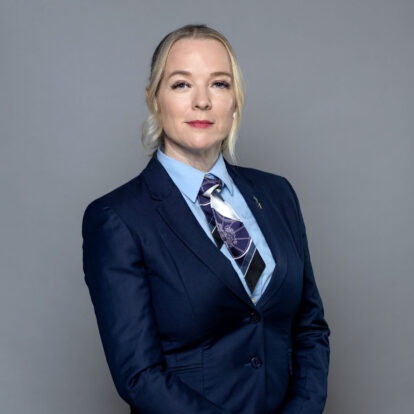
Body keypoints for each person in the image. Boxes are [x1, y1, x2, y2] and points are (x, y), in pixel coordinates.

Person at [82, 24, 331, 414]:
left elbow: (309, 327)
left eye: (219, 84)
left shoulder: (278, 194)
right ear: (154, 98)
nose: (202, 101)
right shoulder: (117, 219)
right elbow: (140, 375)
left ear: (235, 100)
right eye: (182, 84)